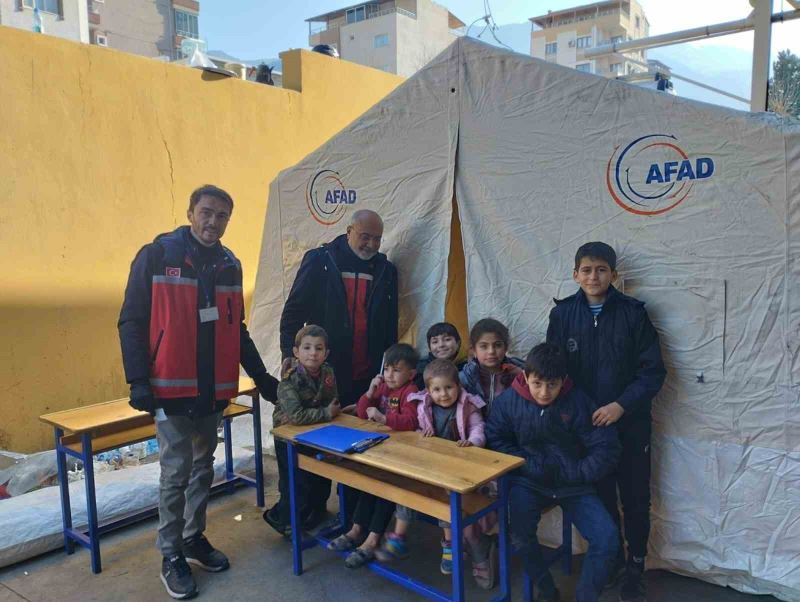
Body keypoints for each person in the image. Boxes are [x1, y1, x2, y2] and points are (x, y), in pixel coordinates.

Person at [118, 184, 279, 600]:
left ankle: (193, 537)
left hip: (212, 391)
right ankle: (170, 554)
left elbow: (236, 329)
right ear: (191, 212)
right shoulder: (157, 255)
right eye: (206, 212)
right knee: (175, 473)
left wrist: (261, 377)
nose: (213, 221)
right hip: (170, 388)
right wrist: (138, 379)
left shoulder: (231, 265)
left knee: (204, 467)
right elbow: (132, 320)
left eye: (222, 215)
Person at [546, 241, 666, 602]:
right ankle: (611, 559)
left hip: (629, 424)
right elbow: (554, 373)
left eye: (601, 269)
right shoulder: (563, 314)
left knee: (634, 497)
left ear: (614, 275)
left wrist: (620, 406)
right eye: (586, 269)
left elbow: (653, 372)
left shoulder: (633, 314)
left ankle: (636, 566)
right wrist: (577, 416)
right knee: (600, 496)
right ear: (575, 274)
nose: (593, 276)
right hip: (587, 429)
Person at [486, 343, 621, 602]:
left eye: (552, 385)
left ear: (564, 381)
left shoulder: (579, 401)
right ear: (525, 376)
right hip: (529, 481)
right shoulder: (507, 403)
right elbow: (496, 440)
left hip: (573, 484)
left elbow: (606, 445)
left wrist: (579, 472)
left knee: (608, 539)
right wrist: (528, 465)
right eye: (537, 383)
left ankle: (585, 597)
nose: (544, 392)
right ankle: (547, 589)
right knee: (519, 536)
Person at [382, 359, 495, 589]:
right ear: (428, 391)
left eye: (449, 388)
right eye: (436, 389)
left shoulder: (468, 405)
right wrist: (421, 433)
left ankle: (450, 544)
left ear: (459, 387)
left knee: (446, 498)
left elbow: (477, 428)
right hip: (433, 466)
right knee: (408, 486)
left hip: (461, 469)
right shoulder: (424, 405)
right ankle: (399, 535)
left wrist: (472, 442)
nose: (443, 394)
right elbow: (418, 429)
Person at [279, 210, 398, 408]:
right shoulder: (320, 260)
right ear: (349, 231)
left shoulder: (386, 270)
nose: (371, 245)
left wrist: (389, 367)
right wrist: (289, 354)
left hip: (367, 373)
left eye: (377, 239)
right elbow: (294, 312)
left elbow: (391, 323)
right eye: (365, 237)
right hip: (323, 370)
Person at [326, 343, 419, 568]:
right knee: (369, 487)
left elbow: (411, 421)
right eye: (387, 369)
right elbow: (361, 411)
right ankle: (356, 530)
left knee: (385, 493)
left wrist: (384, 419)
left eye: (397, 370)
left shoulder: (411, 392)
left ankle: (372, 540)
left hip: (402, 458)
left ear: (411, 374)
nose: (390, 375)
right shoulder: (384, 388)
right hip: (380, 452)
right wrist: (369, 392)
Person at [264, 325, 341, 537]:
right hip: (288, 438)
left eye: (318, 348)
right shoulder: (289, 381)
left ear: (326, 353)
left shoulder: (327, 372)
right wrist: (326, 413)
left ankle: (315, 511)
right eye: (307, 348)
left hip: (317, 433)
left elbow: (331, 399)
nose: (313, 353)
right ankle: (283, 520)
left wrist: (330, 411)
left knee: (320, 477)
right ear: (296, 352)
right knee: (294, 484)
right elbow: (296, 416)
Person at [459, 318, 525, 416]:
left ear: (506, 347)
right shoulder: (465, 378)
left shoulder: (520, 372)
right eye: (484, 346)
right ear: (473, 350)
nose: (491, 351)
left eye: (497, 345)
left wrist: (523, 377)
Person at [414, 322, 466, 389]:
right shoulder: (422, 367)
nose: (441, 345)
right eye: (435, 342)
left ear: (458, 343)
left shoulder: (466, 367)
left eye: (447, 339)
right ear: (429, 347)